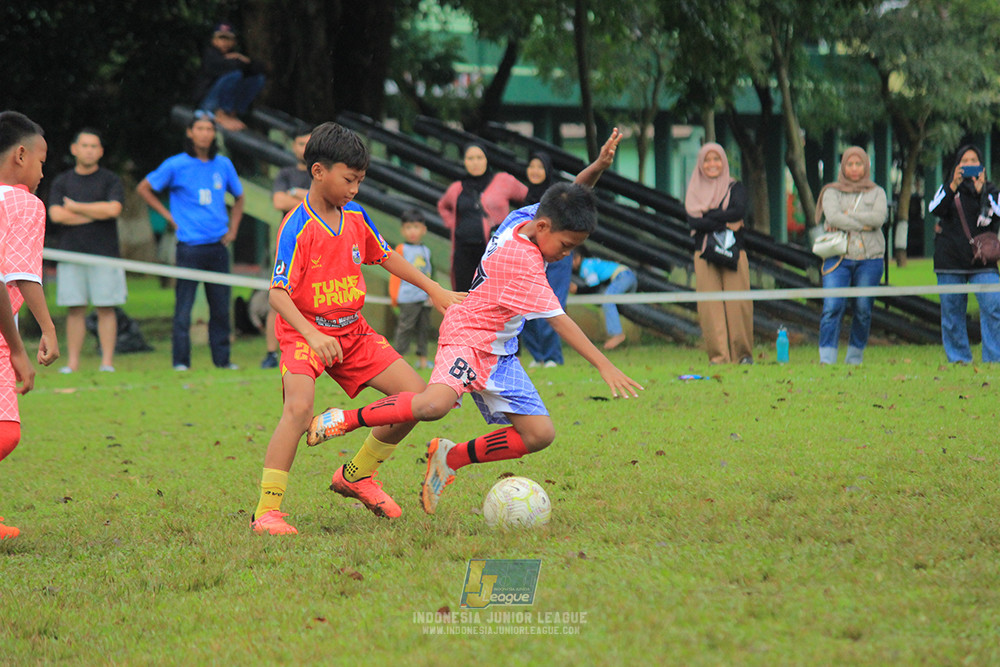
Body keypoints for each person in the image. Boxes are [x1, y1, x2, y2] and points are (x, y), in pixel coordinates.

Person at [306, 183, 644, 515]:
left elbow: (568, 196)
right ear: (543, 227)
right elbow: (560, 322)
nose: (566, 254)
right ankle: (345, 419)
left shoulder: (523, 218)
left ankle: (450, 458)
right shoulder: (522, 261)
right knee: (433, 405)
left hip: (500, 350)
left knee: (539, 434)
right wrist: (604, 364)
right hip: (467, 336)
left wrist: (597, 169)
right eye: (566, 245)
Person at [249, 122, 463, 535]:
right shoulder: (297, 225)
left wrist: (433, 288)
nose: (355, 189)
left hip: (353, 331)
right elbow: (277, 295)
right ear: (318, 172)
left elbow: (385, 255)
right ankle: (266, 511)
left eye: (360, 181)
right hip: (305, 331)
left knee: (416, 399)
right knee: (299, 409)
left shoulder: (356, 216)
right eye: (349, 179)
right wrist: (312, 335)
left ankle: (357, 474)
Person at [136, 112, 244, 371]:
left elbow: (239, 197)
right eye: (200, 128)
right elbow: (144, 188)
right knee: (183, 307)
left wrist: (233, 230)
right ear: (190, 132)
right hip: (189, 246)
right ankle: (181, 362)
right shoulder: (176, 165)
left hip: (218, 246)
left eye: (209, 129)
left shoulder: (223, 165)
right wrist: (169, 218)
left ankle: (223, 360)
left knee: (220, 307)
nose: (205, 134)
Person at [520, 131, 623, 367]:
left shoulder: (554, 199)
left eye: (540, 167)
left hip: (552, 258)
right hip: (532, 258)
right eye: (531, 166)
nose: (535, 171)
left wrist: (598, 165)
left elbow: (578, 188)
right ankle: (538, 355)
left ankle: (552, 356)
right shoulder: (523, 207)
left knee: (552, 304)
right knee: (527, 307)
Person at [0, 111, 52, 538]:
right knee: (6, 433)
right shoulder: (24, 204)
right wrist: (42, 332)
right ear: (20, 155)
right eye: (41, 162)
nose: (41, 174)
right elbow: (20, 274)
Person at [48, 129, 127, 373]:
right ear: (74, 149)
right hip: (71, 254)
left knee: (106, 308)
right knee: (75, 309)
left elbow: (113, 210)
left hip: (105, 255)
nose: (89, 150)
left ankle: (107, 362)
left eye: (94, 146)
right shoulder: (62, 182)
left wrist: (77, 208)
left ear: (101, 151)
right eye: (85, 145)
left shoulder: (111, 180)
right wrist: (95, 214)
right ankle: (72, 363)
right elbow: (56, 215)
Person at [814, 146, 888, 365]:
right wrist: (863, 223)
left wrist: (848, 216)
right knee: (832, 307)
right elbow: (833, 217)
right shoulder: (831, 192)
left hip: (870, 259)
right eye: (850, 164)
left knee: (863, 309)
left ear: (866, 166)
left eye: (859, 164)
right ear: (843, 167)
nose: (854, 168)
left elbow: (878, 219)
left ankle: (855, 357)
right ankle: (827, 359)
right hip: (838, 258)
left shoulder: (877, 192)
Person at [928, 144, 1000, 364]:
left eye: (973, 161)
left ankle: (994, 358)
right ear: (957, 165)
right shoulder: (948, 188)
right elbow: (934, 209)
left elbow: (997, 213)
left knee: (993, 304)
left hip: (983, 260)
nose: (969, 165)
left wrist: (982, 192)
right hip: (950, 259)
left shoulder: (991, 190)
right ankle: (959, 359)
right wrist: (953, 185)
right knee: (952, 311)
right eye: (964, 161)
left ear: (981, 165)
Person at [685, 142, 753, 365]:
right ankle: (719, 357)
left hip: (734, 253)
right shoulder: (694, 190)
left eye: (716, 159)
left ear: (723, 162)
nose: (712, 164)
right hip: (704, 253)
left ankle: (742, 356)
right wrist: (724, 219)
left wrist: (708, 215)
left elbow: (738, 211)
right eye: (707, 160)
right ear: (700, 164)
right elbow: (694, 222)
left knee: (738, 304)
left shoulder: (735, 187)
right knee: (709, 306)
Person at [437, 142, 527, 292]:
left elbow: (527, 198)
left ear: (487, 160)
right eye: (470, 158)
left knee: (493, 292)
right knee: (463, 294)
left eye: (479, 158)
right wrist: (452, 224)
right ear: (464, 161)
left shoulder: (503, 181)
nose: (475, 163)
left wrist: (518, 226)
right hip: (463, 251)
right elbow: (443, 205)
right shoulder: (457, 188)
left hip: (492, 250)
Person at [258, 128, 312, 369]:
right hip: (289, 248)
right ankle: (271, 353)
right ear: (293, 146)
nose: (305, 148)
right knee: (279, 298)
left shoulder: (322, 173)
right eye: (301, 143)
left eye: (309, 143)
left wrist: (297, 194)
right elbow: (279, 201)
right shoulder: (286, 173)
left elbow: (331, 201)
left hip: (318, 248)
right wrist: (310, 198)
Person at [191, 22, 266, 132]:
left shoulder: (234, 55)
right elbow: (230, 66)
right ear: (213, 40)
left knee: (258, 78)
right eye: (221, 38)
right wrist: (239, 61)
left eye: (228, 39)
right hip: (208, 102)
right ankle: (221, 113)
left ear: (234, 42)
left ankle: (233, 113)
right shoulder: (210, 54)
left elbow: (258, 68)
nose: (224, 42)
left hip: (228, 104)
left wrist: (240, 59)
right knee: (235, 75)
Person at [389, 208, 434, 370]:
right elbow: (395, 274)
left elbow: (430, 274)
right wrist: (394, 296)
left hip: (424, 298)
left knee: (423, 329)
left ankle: (423, 360)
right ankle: (398, 360)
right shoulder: (401, 249)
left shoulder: (426, 251)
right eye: (408, 227)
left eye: (416, 227)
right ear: (402, 230)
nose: (412, 231)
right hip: (407, 298)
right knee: (405, 328)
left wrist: (432, 294)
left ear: (423, 229)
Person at [570, 247, 638, 350]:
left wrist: (577, 290)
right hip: (628, 275)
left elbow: (594, 286)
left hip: (622, 276)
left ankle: (617, 334)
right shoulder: (590, 262)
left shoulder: (586, 266)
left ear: (578, 258)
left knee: (607, 300)